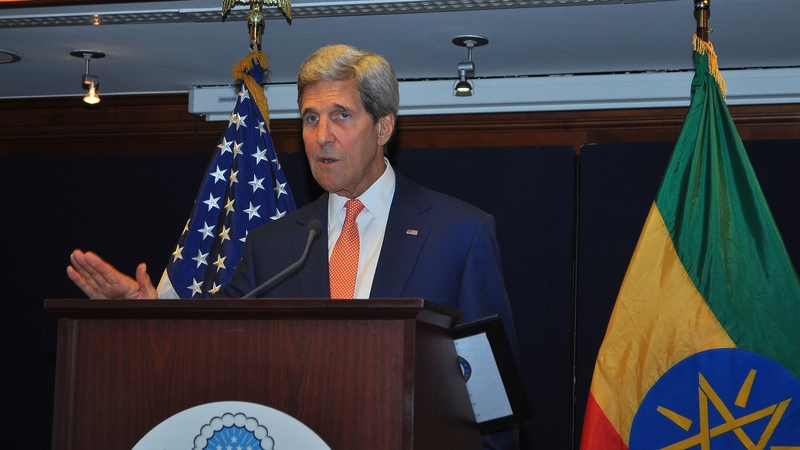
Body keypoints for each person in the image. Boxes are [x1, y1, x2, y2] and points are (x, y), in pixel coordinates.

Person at [68, 44, 518, 450]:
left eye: (341, 115)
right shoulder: (274, 246)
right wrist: (147, 312)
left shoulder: (459, 233)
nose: (321, 135)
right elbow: (214, 342)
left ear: (383, 127)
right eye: (309, 117)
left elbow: (494, 409)